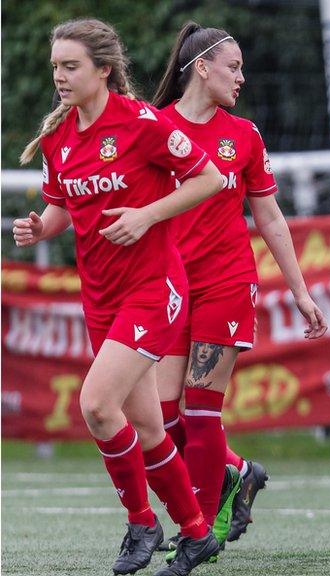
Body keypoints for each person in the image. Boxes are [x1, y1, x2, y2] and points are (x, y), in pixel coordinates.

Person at [13, 18, 223, 575]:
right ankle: (197, 533)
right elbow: (64, 207)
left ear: (103, 70)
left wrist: (146, 215)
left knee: (96, 406)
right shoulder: (60, 139)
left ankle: (141, 522)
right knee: (148, 429)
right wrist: (42, 228)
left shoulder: (143, 124)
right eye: (55, 66)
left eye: (70, 66)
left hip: (153, 289)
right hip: (100, 298)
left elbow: (210, 179)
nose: (59, 75)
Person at [149, 21, 328, 554]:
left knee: (202, 410)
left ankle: (198, 528)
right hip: (168, 287)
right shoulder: (154, 129)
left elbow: (270, 219)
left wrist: (299, 290)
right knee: (159, 419)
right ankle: (238, 473)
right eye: (234, 66)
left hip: (227, 283)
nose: (242, 77)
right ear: (201, 67)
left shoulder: (243, 136)